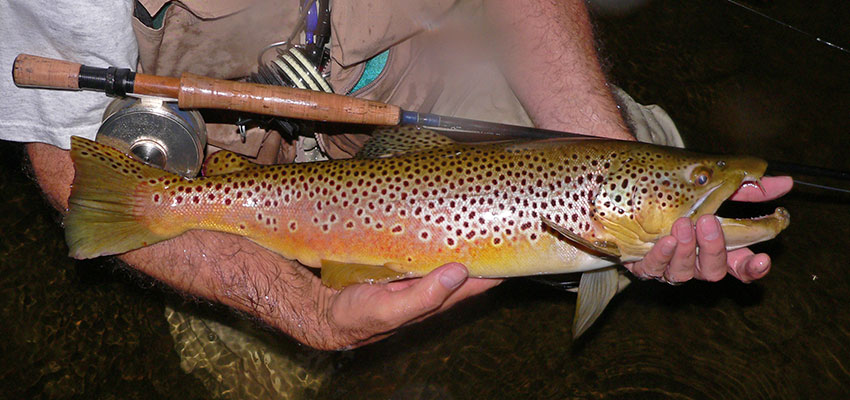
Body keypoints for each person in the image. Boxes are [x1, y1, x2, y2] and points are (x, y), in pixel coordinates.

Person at [1, 0, 792, 350]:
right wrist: (304, 309)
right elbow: (58, 152)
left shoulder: (611, 196)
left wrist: (606, 143)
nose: (699, 188)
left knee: (643, 138)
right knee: (252, 336)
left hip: (413, 55)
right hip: (203, 116)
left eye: (692, 182)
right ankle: (207, 263)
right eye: (696, 182)